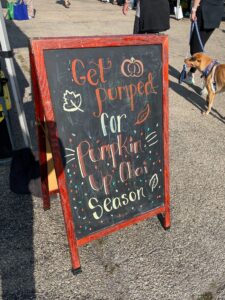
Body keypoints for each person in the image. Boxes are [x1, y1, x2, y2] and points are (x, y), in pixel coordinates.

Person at [184, 0, 224, 85]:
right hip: (217, 10)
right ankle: (194, 74)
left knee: (196, 47)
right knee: (199, 44)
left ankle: (206, 78)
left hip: (205, 10)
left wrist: (194, 9)